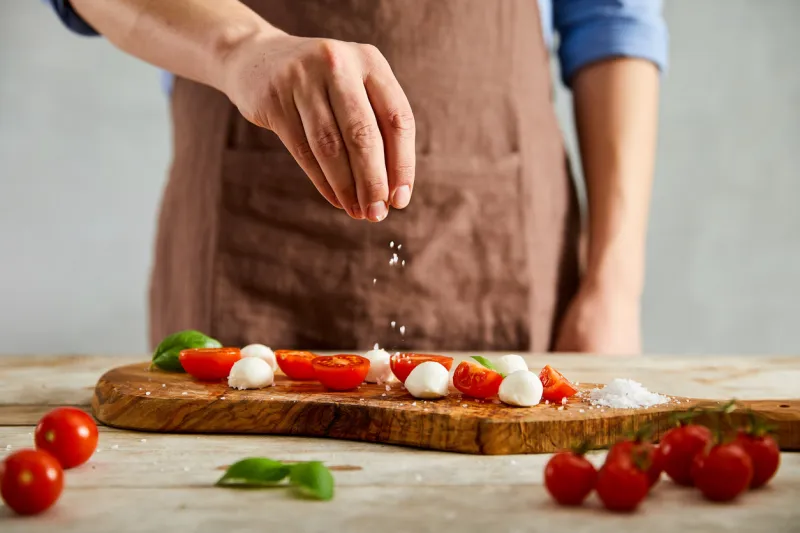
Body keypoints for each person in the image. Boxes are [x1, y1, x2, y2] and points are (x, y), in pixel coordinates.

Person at [48, 0, 667, 355]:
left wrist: (614, 284)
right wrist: (239, 46)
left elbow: (614, 19)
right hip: (239, 239)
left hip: (500, 236)